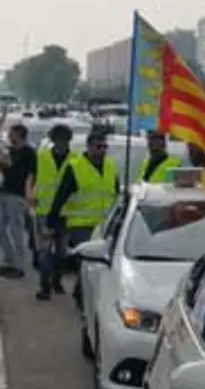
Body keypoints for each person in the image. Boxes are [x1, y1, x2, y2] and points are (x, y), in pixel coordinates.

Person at [45, 131, 119, 303]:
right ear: (89, 146)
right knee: (87, 260)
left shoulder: (110, 166)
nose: (102, 151)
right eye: (98, 147)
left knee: (100, 263)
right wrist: (52, 220)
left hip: (104, 224)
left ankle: (82, 291)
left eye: (104, 147)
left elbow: (115, 194)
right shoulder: (75, 167)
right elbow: (61, 195)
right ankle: (81, 294)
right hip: (81, 223)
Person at [32, 124, 76, 299]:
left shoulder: (75, 159)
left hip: (66, 212)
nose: (60, 143)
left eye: (63, 140)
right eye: (57, 139)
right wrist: (30, 192)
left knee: (61, 252)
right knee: (44, 251)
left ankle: (56, 280)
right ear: (52, 140)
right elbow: (32, 175)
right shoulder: (41, 156)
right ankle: (44, 287)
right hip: (44, 210)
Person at [0, 122, 37, 278]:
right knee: (1, 230)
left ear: (19, 135)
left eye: (11, 134)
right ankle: (9, 260)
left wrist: (29, 195)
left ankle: (19, 266)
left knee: (16, 231)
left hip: (17, 195)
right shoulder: (11, 151)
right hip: (4, 193)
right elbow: (6, 168)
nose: (9, 136)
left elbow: (31, 174)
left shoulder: (28, 153)